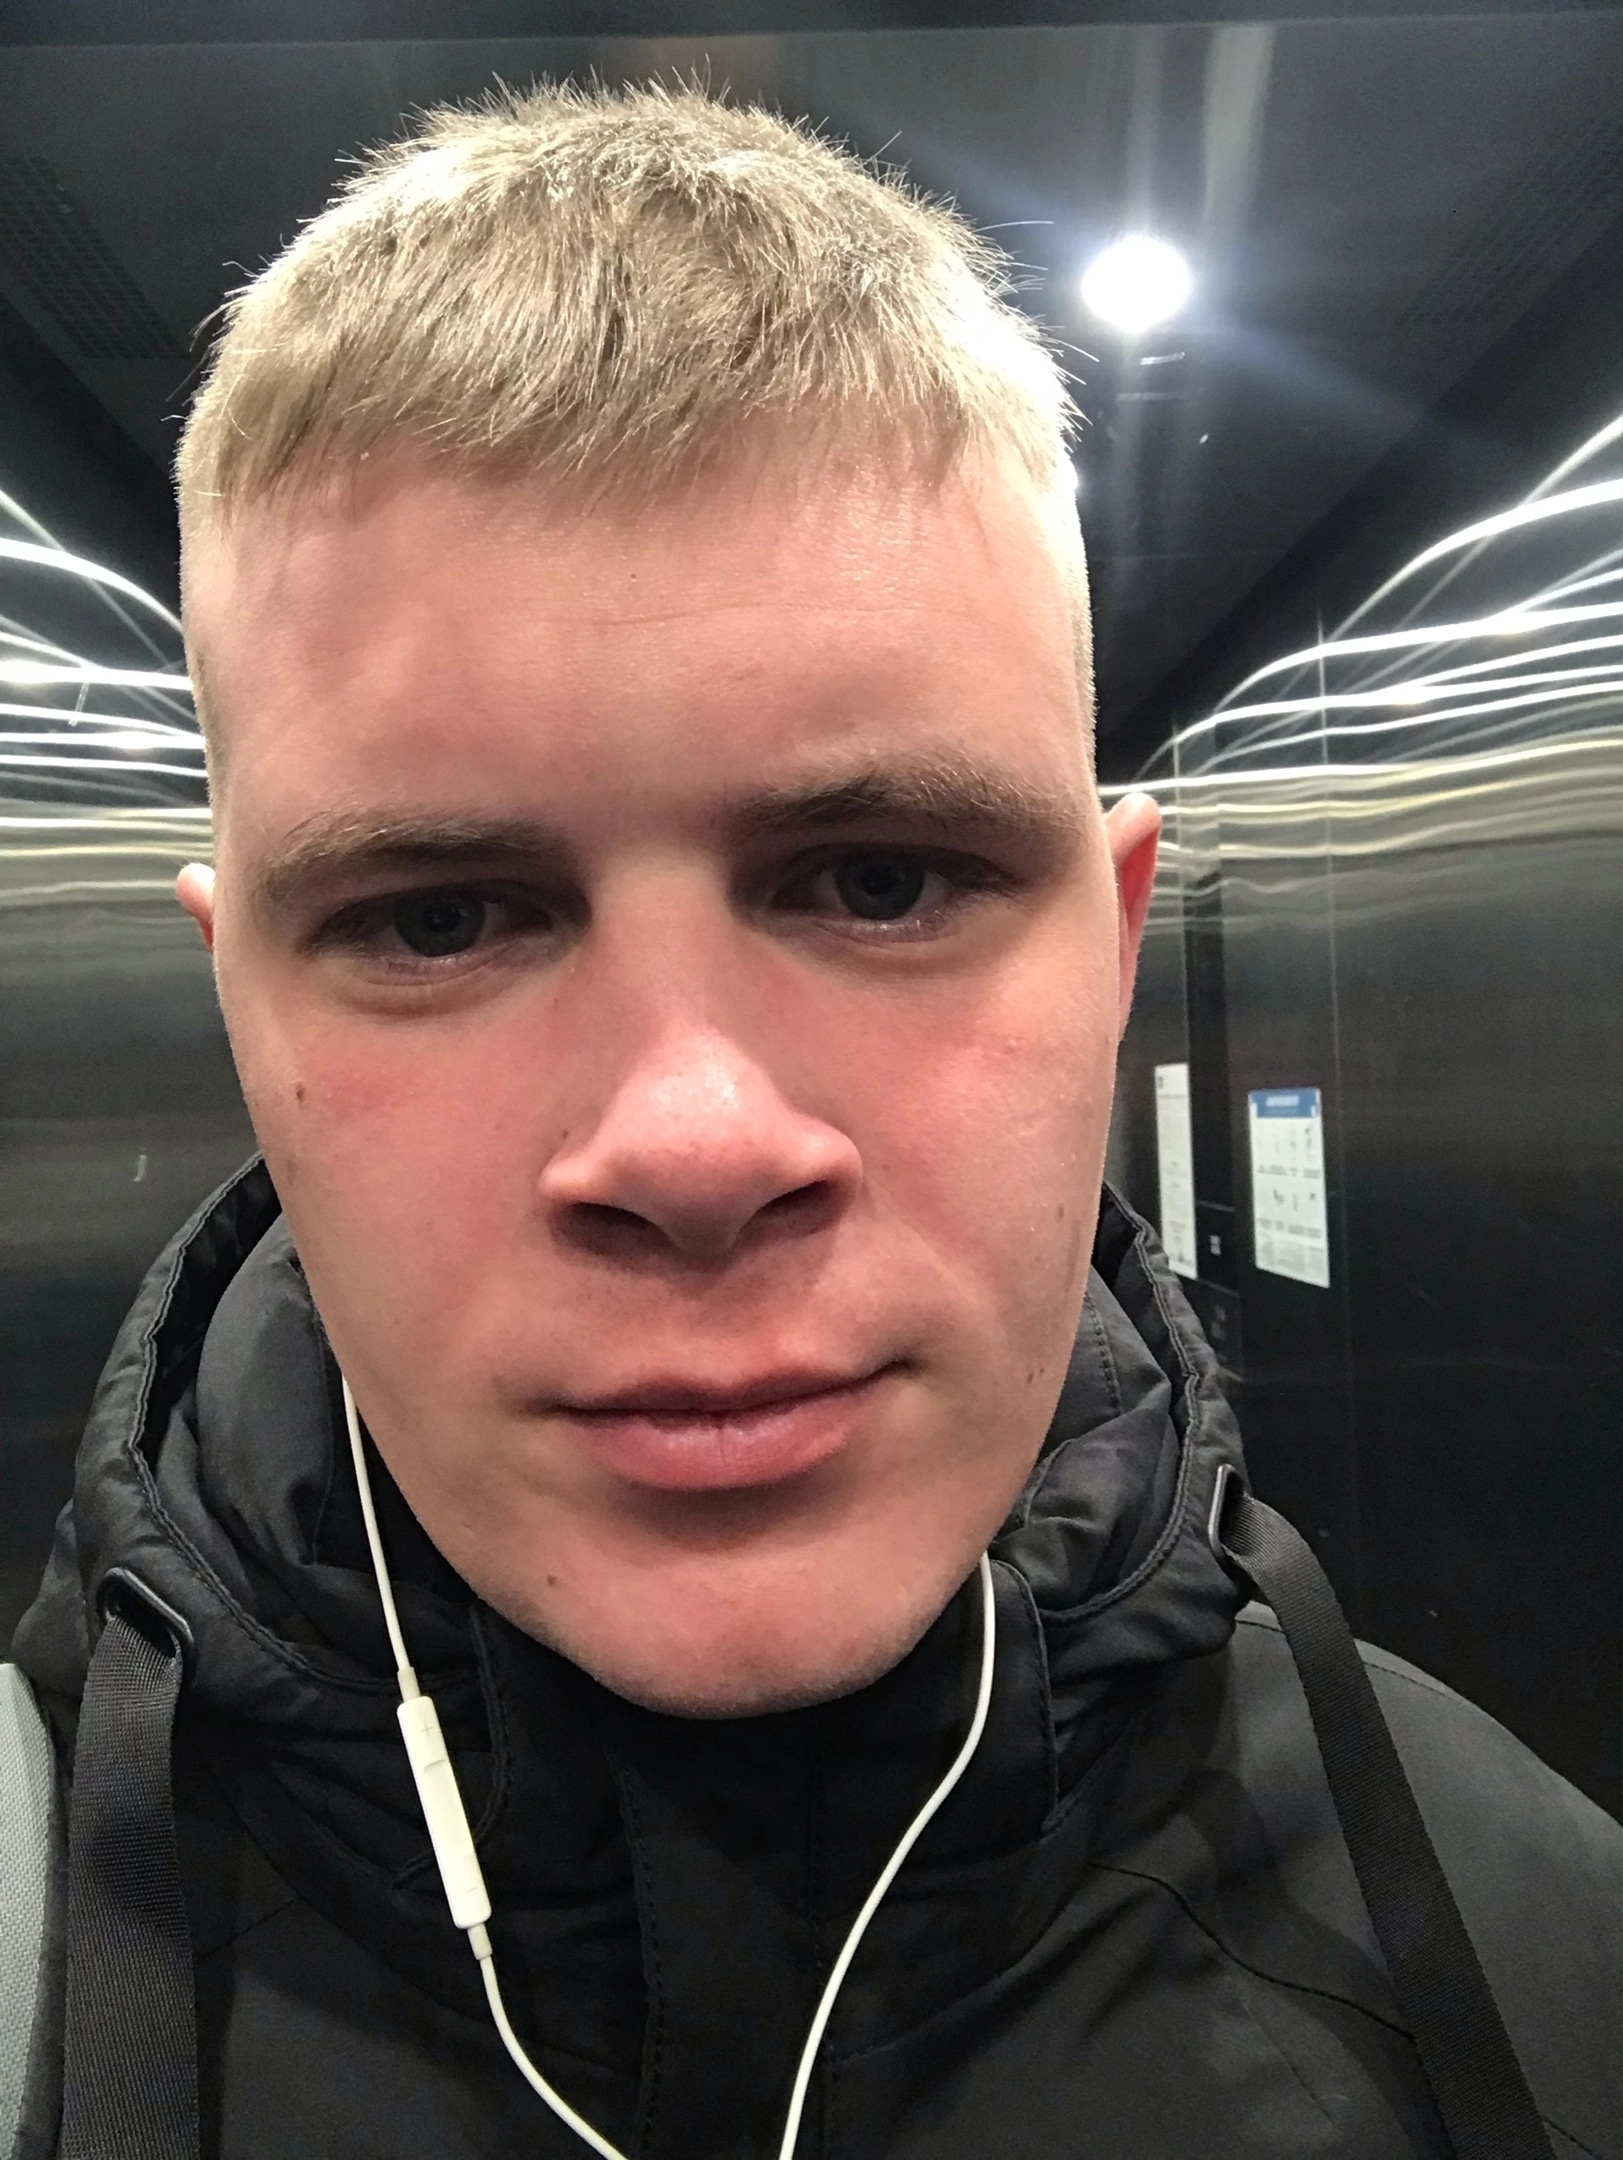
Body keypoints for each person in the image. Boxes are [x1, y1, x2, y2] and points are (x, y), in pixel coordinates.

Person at [3, 81, 1617, 2160]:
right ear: (240, 1001)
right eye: (440, 918)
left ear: (1114, 944)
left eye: (879, 880)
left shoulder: (1540, 1965)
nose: (694, 1144)